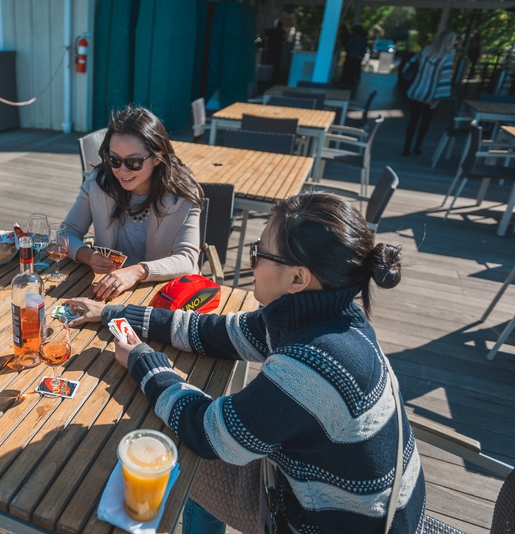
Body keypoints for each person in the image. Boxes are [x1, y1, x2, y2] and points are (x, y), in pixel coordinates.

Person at [66, 192, 425, 533]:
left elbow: (209, 433)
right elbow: (216, 332)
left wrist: (142, 361)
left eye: (259, 253)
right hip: (357, 500)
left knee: (175, 449)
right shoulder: (328, 314)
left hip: (326, 522)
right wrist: (113, 313)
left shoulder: (313, 364)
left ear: (298, 277)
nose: (251, 261)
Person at [62, 105, 203, 301]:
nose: (122, 171)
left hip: (162, 295)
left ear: (158, 156)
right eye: (114, 160)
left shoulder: (182, 193)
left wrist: (138, 271)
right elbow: (67, 232)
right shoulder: (98, 182)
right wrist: (89, 256)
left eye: (134, 162)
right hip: (108, 291)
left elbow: (187, 259)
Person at [401, 30, 457, 156]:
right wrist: (438, 98)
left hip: (416, 91)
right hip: (431, 95)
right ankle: (418, 146)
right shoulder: (447, 57)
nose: (454, 43)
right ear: (448, 42)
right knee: (425, 122)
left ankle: (406, 147)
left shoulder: (425, 50)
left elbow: (409, 65)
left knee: (413, 121)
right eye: (453, 40)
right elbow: (444, 79)